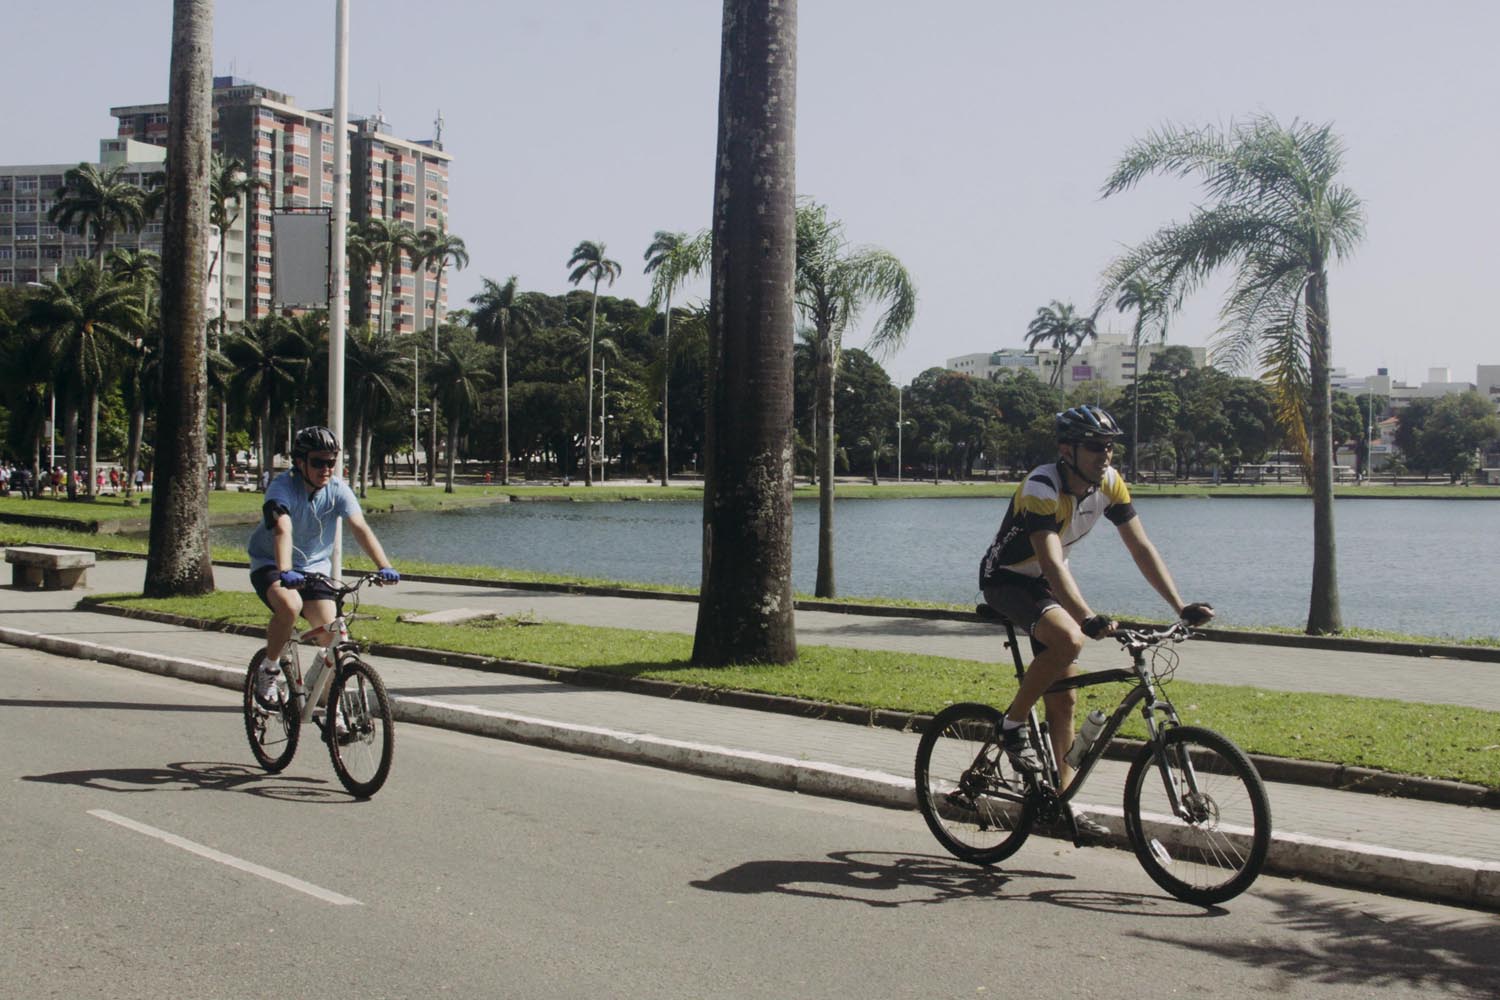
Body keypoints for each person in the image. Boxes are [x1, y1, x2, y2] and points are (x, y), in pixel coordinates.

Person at [979, 405, 1213, 836]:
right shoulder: (1041, 486)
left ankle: (1063, 804)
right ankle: (1011, 726)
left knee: (1065, 700)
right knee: (1070, 641)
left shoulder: (1109, 483)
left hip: (1048, 584)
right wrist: (1086, 618)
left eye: (1109, 447)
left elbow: (1141, 547)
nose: (1104, 455)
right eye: (1094, 446)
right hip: (1008, 580)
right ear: (1067, 449)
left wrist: (1180, 607)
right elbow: (1049, 561)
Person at [246, 426, 400, 707]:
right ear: (300, 462)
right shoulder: (282, 487)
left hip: (314, 569)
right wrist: (285, 570)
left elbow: (360, 527)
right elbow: (282, 528)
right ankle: (269, 669)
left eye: (332, 462)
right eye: (318, 462)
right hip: (272, 563)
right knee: (290, 606)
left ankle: (331, 711)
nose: (326, 468)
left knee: (333, 638)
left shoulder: (338, 490)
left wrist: (384, 566)